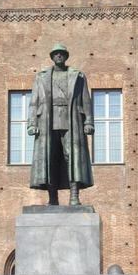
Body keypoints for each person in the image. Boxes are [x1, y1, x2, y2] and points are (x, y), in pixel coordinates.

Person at [27, 43, 94, 206]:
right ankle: (52, 197)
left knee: (72, 158)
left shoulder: (77, 75)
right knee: (50, 158)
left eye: (61, 53)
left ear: (66, 56)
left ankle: (74, 196)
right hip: (47, 121)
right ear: (52, 57)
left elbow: (86, 100)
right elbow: (34, 102)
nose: (59, 56)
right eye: (56, 53)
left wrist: (89, 121)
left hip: (72, 120)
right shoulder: (41, 76)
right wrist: (32, 123)